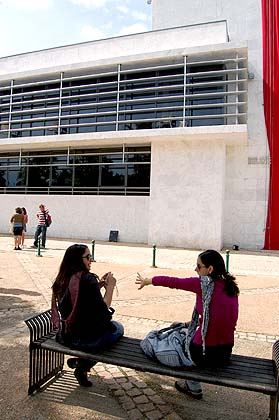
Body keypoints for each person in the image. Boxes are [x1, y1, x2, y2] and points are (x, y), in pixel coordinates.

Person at [136, 249, 239, 400]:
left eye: (199, 266)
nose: (195, 269)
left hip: (202, 354)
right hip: (224, 353)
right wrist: (185, 323)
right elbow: (215, 319)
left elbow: (174, 282)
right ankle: (192, 385)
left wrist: (148, 280)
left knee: (160, 340)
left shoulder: (202, 284)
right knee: (182, 330)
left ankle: (192, 385)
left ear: (210, 269)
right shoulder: (231, 288)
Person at [51, 244, 124, 387]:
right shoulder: (87, 279)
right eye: (88, 257)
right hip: (87, 339)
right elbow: (103, 310)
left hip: (66, 335)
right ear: (78, 260)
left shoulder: (61, 279)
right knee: (117, 328)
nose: (91, 260)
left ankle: (81, 363)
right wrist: (110, 287)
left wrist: (99, 285)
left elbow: (78, 299)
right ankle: (84, 364)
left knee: (107, 330)